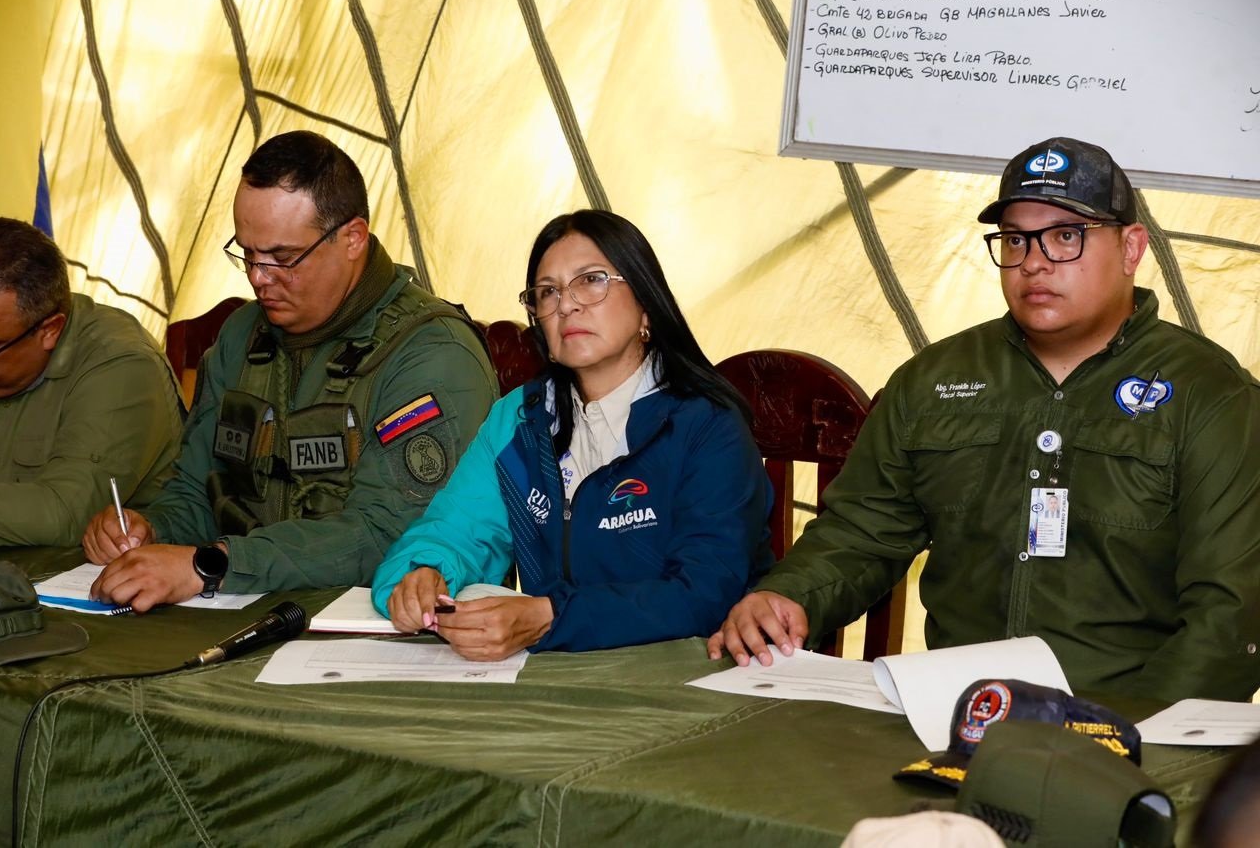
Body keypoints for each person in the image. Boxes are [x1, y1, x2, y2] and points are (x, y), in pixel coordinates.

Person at [709, 136, 1260, 703]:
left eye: (1066, 236)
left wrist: (1131, 737)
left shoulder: (1210, 394)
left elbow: (1232, 611)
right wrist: (787, 597)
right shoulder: (934, 379)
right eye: (1017, 240)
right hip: (955, 709)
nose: (1035, 262)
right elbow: (862, 532)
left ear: (1131, 248)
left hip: (1124, 721)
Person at [82, 130, 497, 609]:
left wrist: (211, 565)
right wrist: (146, 529)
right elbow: (197, 490)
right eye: (247, 254)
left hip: (365, 629)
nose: (259, 278)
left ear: (352, 238)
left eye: (282, 257)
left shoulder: (430, 353)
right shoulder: (241, 337)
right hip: (237, 605)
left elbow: (386, 534)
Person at [371, 209, 773, 660]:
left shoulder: (707, 425)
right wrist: (424, 573)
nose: (566, 305)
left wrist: (548, 617)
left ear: (646, 303)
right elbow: (455, 530)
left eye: (591, 280)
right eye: (547, 292)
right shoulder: (519, 418)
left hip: (692, 675)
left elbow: (704, 595)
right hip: (557, 677)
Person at [0, 217, 183, 547]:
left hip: (84, 582)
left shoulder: (122, 364)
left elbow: (65, 513)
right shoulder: (1, 339)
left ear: (49, 331)